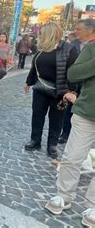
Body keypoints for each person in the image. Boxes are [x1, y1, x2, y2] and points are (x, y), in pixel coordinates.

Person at [44, 34, 95, 227]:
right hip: (86, 113)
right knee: (72, 157)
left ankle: (93, 204)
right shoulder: (91, 48)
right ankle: (64, 196)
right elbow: (73, 74)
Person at [24, 22, 78, 159]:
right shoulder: (43, 48)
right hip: (41, 88)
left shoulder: (68, 49)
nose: (39, 35)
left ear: (50, 33)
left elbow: (73, 72)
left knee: (56, 118)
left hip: (60, 90)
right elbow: (34, 67)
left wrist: (71, 91)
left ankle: (52, 144)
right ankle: (35, 140)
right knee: (37, 115)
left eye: (42, 33)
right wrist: (28, 82)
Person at [58, 21, 92, 144]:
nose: (76, 32)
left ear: (90, 30)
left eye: (79, 29)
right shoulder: (74, 44)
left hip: (88, 86)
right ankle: (65, 133)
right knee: (69, 110)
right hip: (73, 83)